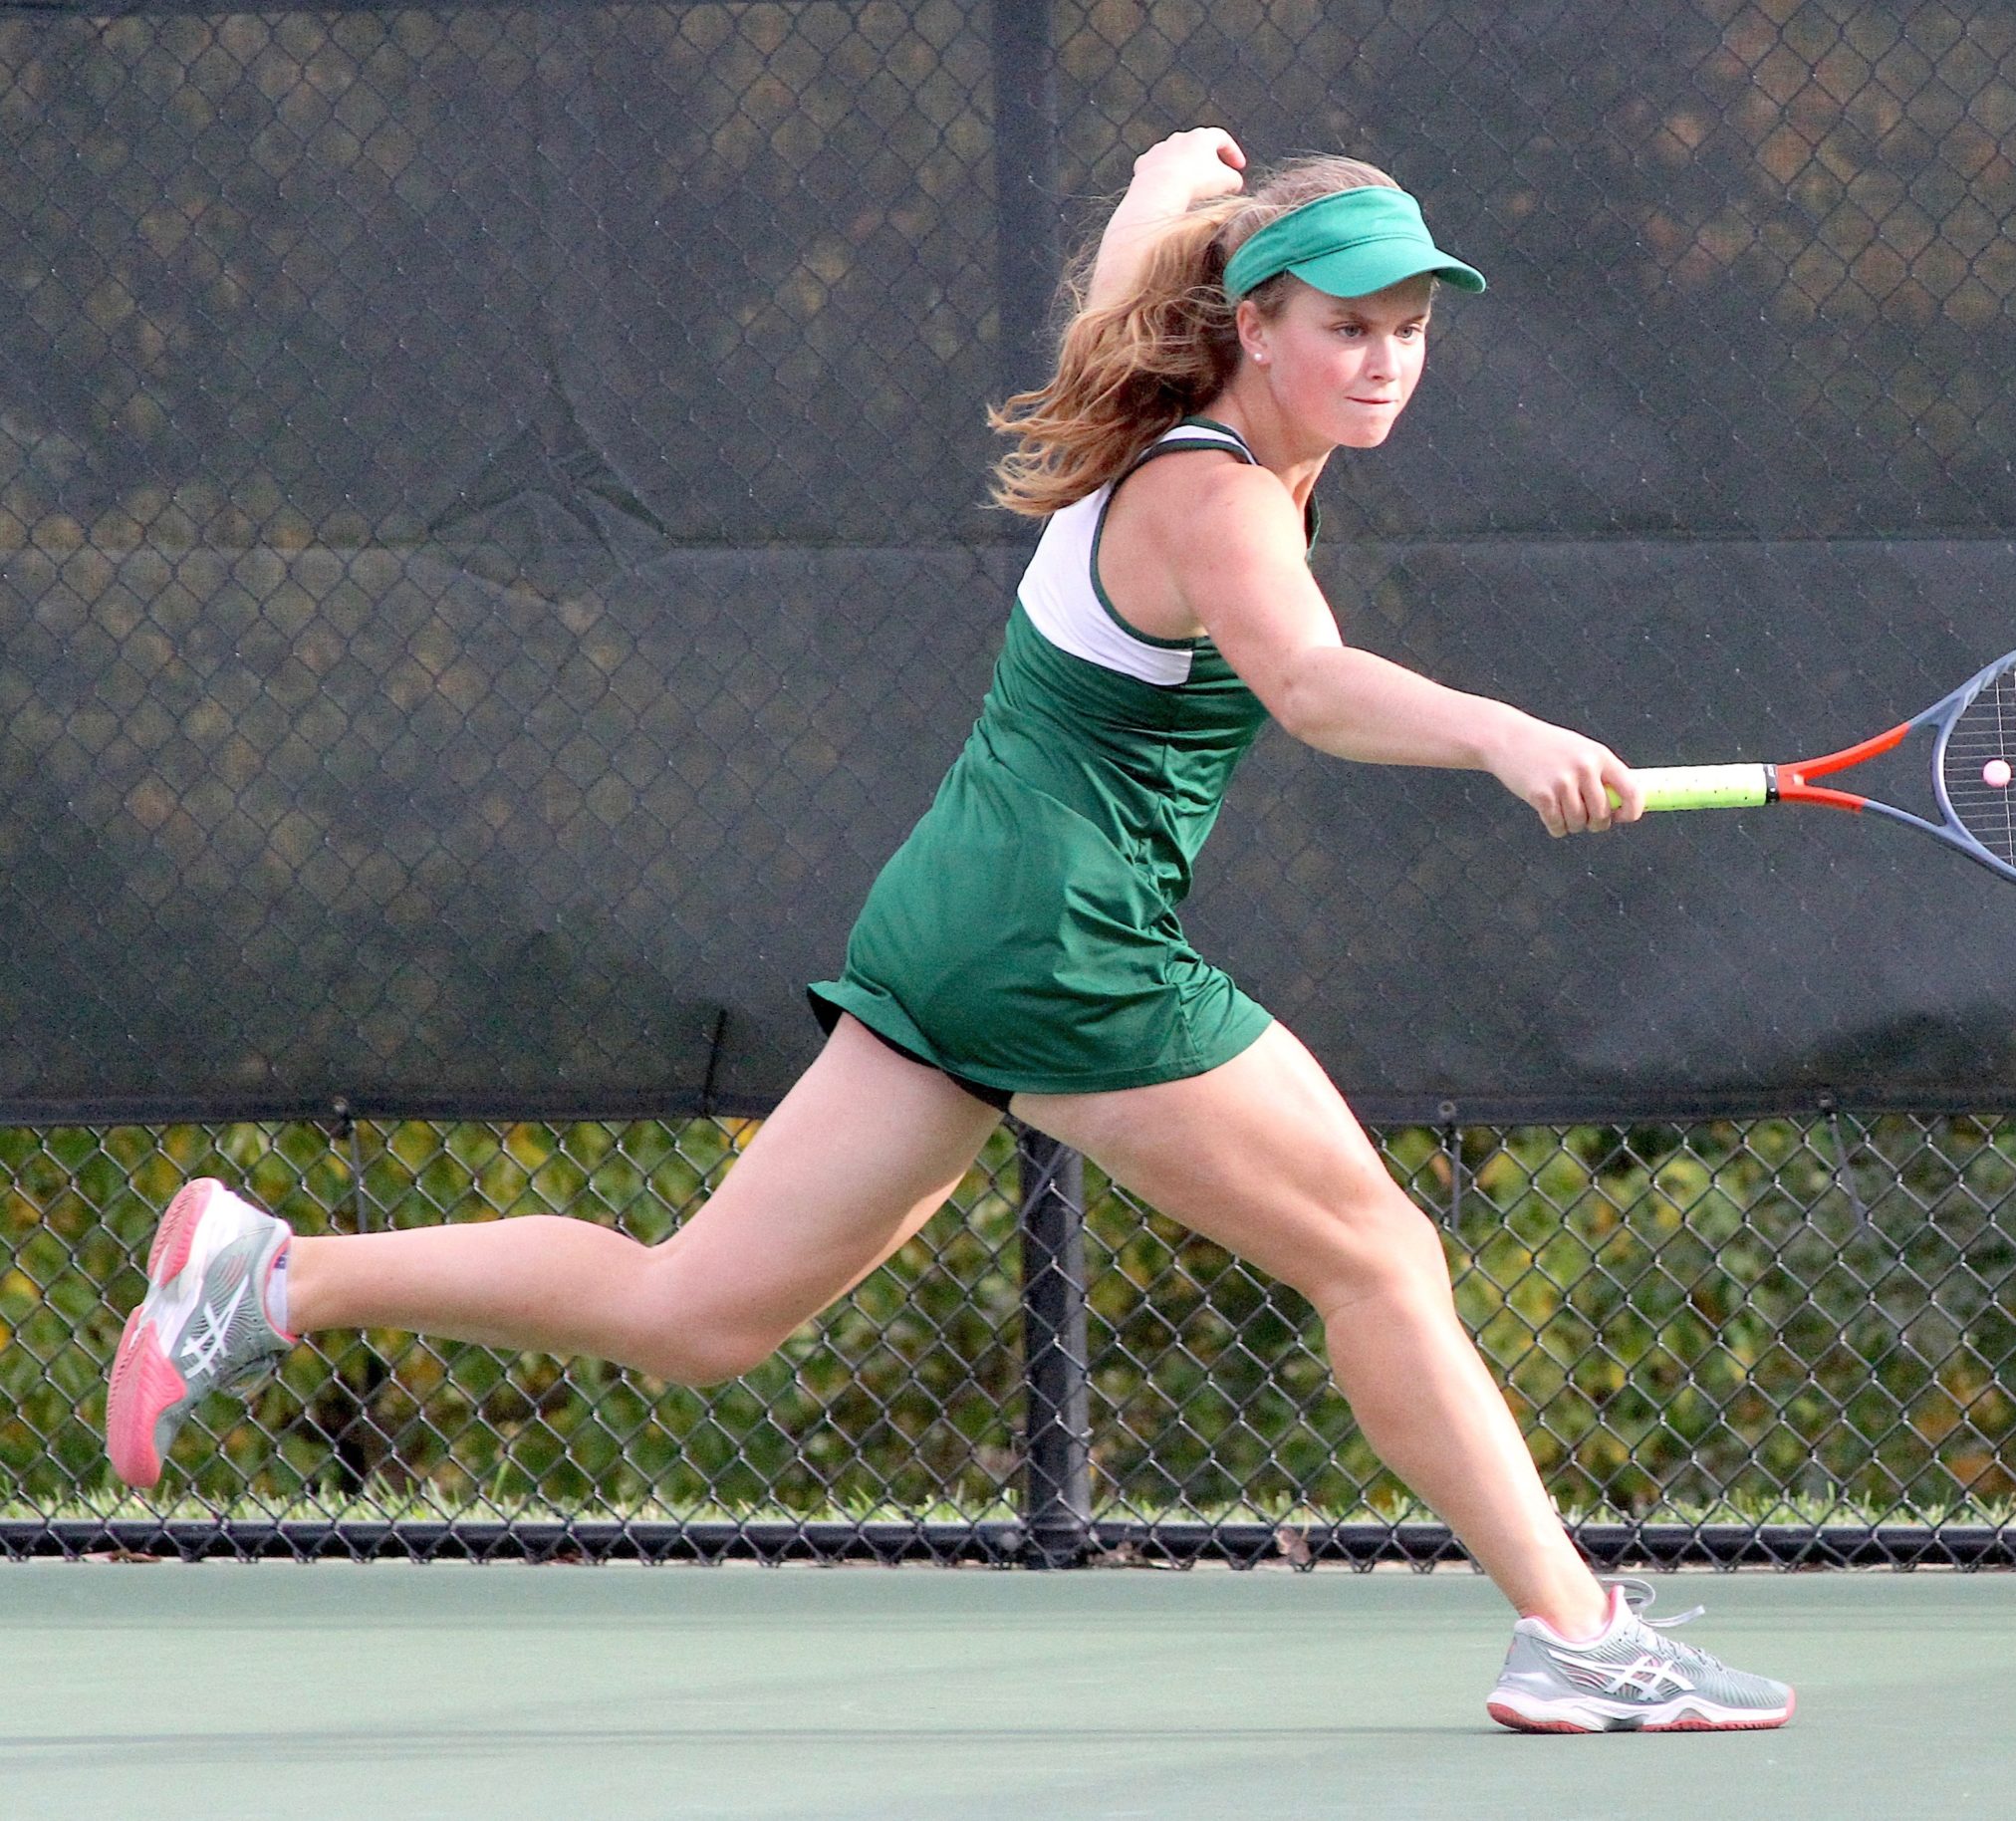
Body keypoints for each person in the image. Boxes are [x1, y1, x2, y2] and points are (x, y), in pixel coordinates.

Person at [105, 128, 1794, 1735]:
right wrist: (1501, 734)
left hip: (956, 917)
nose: (1386, 360)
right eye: (1347, 326)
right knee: (1378, 1257)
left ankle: (275, 1276)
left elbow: (1128, 276)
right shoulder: (1216, 496)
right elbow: (1311, 682)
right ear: (1255, 327)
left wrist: (1154, 184)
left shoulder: (1158, 398)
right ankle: (1579, 1639)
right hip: (1066, 945)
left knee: (700, 1311)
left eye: (1411, 329)